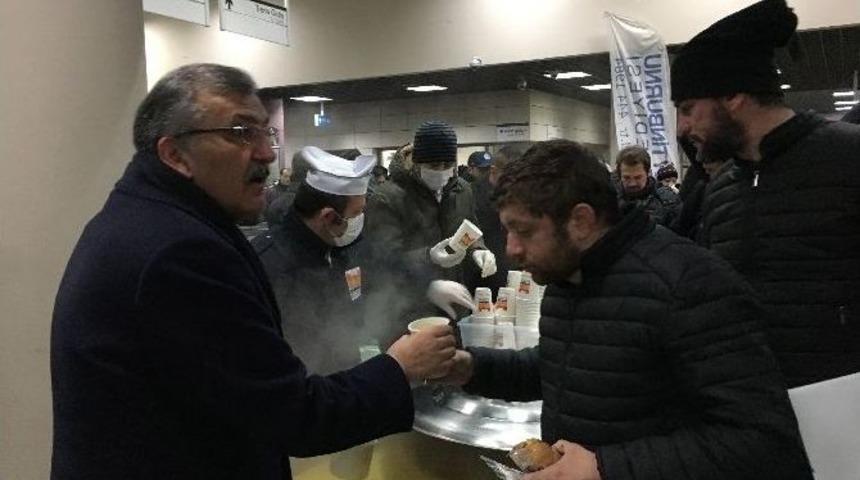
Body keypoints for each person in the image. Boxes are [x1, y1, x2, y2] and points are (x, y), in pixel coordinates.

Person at [50, 63, 457, 480]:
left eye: (267, 133)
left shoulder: (146, 219)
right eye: (240, 133)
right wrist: (398, 368)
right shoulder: (180, 253)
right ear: (175, 154)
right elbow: (292, 414)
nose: (266, 152)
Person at [440, 139, 813, 480]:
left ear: (581, 221)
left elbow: (762, 442)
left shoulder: (689, 285)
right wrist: (471, 367)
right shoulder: (566, 276)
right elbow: (565, 369)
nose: (512, 251)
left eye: (523, 231)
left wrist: (606, 467)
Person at [672, 0, 860, 387]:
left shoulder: (849, 157)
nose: (682, 126)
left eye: (689, 107)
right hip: (754, 411)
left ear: (732, 97)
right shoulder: (721, 189)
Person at [254, 147, 378, 374]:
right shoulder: (268, 264)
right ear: (328, 217)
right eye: (356, 213)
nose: (361, 221)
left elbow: (379, 274)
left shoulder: (339, 246)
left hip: (346, 380)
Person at [365, 121, 496, 324]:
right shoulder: (389, 198)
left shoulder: (461, 191)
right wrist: (428, 276)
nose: (442, 171)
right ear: (417, 163)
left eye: (448, 165)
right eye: (433, 166)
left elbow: (470, 227)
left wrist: (478, 249)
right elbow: (382, 258)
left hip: (453, 303)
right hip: (406, 310)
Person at [472, 145, 523, 291]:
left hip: (514, 276)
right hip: (481, 279)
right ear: (494, 172)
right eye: (510, 180)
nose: (515, 186)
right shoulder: (472, 196)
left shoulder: (520, 193)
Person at [614, 145, 680, 226]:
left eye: (638, 177)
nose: (632, 183)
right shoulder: (609, 199)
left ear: (648, 173)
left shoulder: (668, 200)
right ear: (619, 175)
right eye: (626, 178)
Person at [263, 151, 311, 227]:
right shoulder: (271, 192)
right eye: (285, 176)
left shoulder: (298, 193)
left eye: (289, 176)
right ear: (280, 176)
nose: (287, 179)